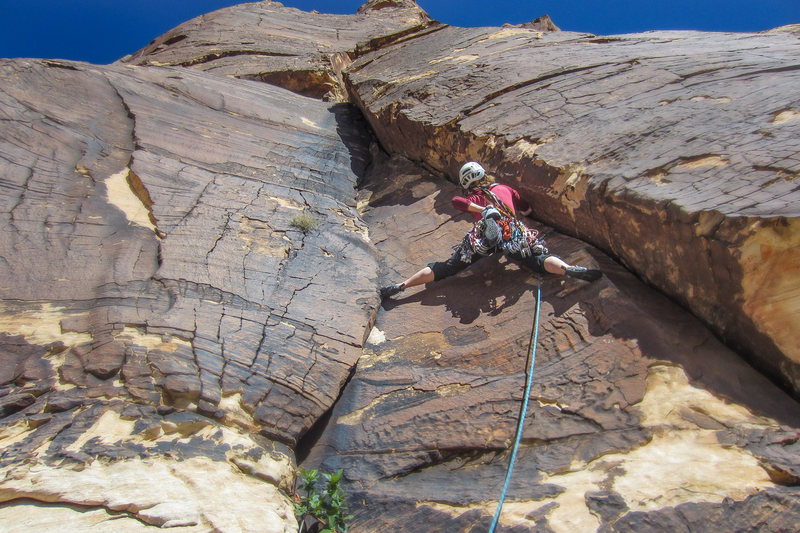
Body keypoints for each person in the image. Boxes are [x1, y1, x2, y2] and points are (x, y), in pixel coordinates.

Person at [380, 161, 601, 299]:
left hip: (483, 235)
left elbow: (457, 201)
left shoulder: (472, 197)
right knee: (537, 259)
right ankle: (567, 269)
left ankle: (402, 286)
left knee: (447, 267)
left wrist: (482, 208)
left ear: (467, 183)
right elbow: (527, 209)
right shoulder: (505, 188)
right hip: (511, 232)